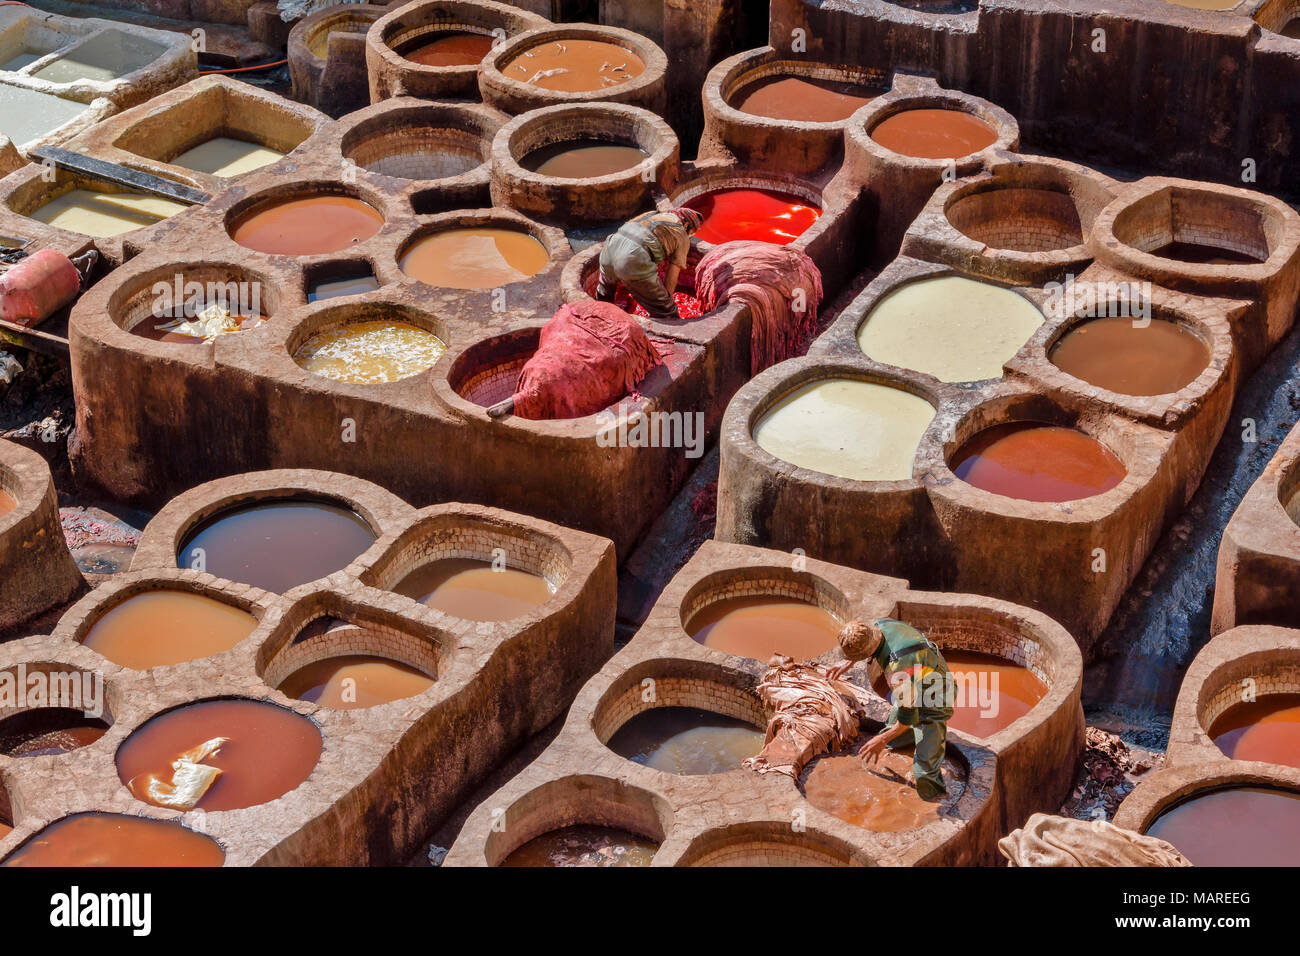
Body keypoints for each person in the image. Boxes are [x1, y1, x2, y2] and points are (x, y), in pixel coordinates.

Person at [826, 618, 953, 799]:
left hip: (936, 693)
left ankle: (936, 798)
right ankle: (902, 741)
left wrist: (882, 740)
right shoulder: (880, 625)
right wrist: (851, 660)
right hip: (920, 674)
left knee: (924, 773)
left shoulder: (897, 670)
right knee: (893, 740)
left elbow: (905, 719)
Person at [595, 207, 703, 319]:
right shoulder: (681, 232)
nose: (690, 236)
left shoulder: (650, 214)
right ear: (685, 225)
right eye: (691, 233)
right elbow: (672, 276)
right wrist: (666, 303)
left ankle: (599, 322)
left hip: (608, 250)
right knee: (668, 313)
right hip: (631, 259)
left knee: (604, 300)